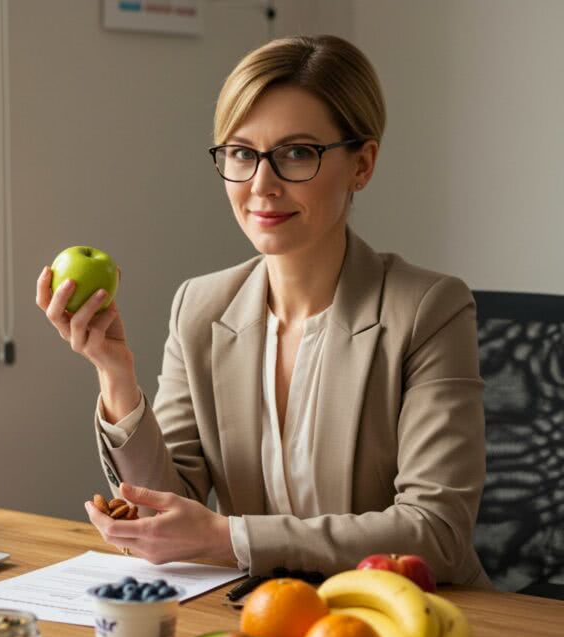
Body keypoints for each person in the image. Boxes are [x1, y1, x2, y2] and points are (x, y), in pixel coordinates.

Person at [35, 35, 492, 587]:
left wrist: (228, 538)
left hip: (412, 615)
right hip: (263, 614)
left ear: (362, 164)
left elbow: (436, 532)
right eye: (241, 153)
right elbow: (168, 511)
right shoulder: (200, 307)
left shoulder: (428, 310)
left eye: (297, 153)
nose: (261, 185)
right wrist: (115, 374)